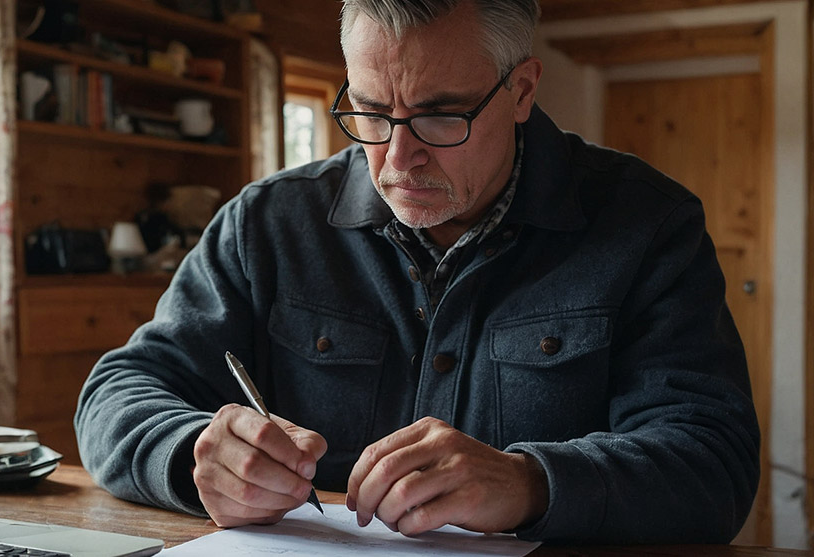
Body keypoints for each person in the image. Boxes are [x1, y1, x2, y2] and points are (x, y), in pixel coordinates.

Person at [74, 0, 759, 544]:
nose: (398, 158)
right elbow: (115, 391)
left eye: (439, 116)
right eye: (370, 111)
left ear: (520, 89)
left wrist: (529, 482)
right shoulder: (268, 224)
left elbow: (712, 463)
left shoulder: (648, 227)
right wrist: (195, 452)